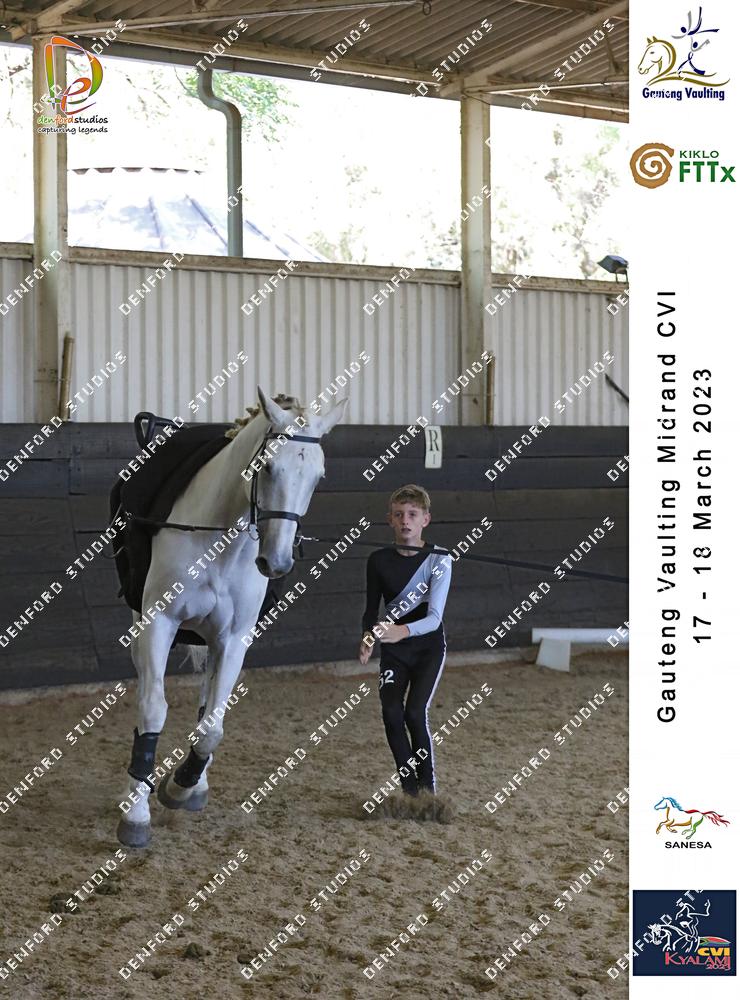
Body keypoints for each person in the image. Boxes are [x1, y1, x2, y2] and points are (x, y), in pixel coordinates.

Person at [358, 484, 452, 796]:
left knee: (414, 713)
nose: (405, 521)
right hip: (394, 652)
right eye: (398, 515)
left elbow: (434, 618)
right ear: (390, 520)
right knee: (391, 713)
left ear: (425, 519)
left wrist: (401, 631)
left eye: (412, 514)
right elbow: (371, 610)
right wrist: (368, 636)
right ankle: (410, 792)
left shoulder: (439, 559)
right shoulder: (377, 560)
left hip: (427, 649)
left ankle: (428, 791)